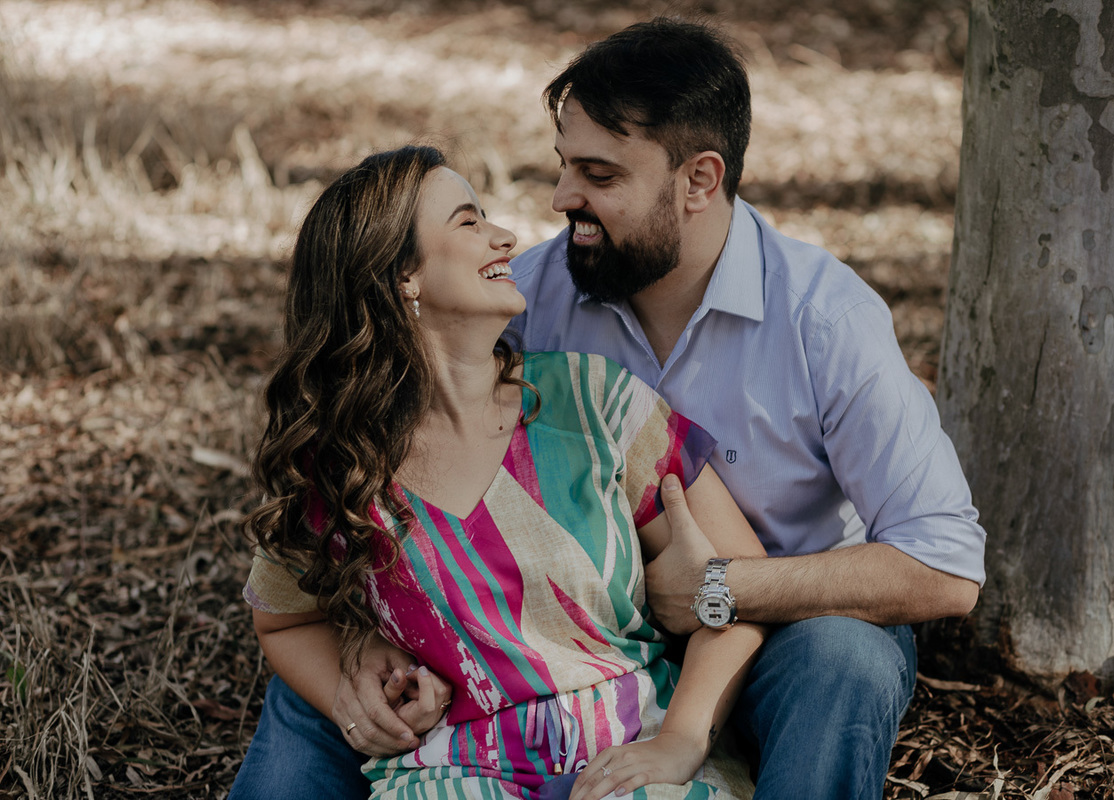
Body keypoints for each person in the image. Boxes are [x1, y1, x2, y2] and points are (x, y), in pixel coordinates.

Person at [231, 15, 987, 800]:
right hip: (570, 644)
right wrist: (361, 650)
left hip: (775, 632)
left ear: (699, 180)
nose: (561, 199)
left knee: (846, 658)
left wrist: (722, 589)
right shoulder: (530, 294)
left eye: (599, 174)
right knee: (324, 692)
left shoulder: (823, 320)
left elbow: (946, 566)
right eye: (564, 165)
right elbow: (413, 401)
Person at [232, 144, 767, 800]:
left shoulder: (597, 402)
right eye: (467, 221)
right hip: (447, 776)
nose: (505, 236)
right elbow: (282, 618)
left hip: (630, 755)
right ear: (403, 275)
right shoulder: (343, 468)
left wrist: (681, 740)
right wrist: (350, 689)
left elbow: (746, 581)